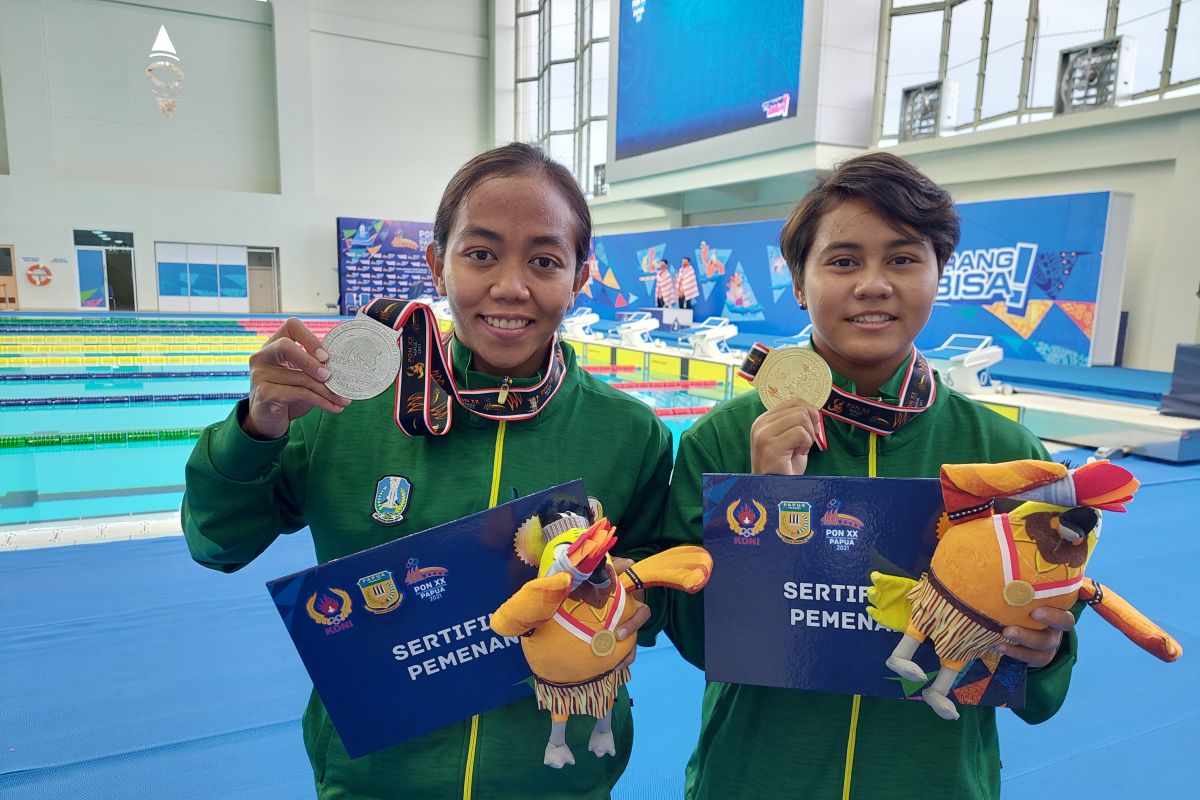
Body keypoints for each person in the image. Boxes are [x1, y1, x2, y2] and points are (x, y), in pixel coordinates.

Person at [181, 142, 672, 800]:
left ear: (581, 277)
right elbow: (216, 543)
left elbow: (651, 597)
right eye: (481, 253)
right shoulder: (344, 410)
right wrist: (258, 427)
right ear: (437, 265)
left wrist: (631, 600)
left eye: (545, 260)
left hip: (558, 780)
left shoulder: (628, 432)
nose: (509, 286)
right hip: (376, 781)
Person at [660, 152, 1075, 799]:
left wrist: (1045, 649)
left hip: (932, 779)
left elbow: (1041, 680)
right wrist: (763, 504)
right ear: (799, 282)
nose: (874, 283)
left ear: (940, 275)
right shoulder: (726, 438)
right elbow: (692, 637)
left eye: (903, 259)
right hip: (757, 776)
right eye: (843, 260)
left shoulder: (1004, 453)